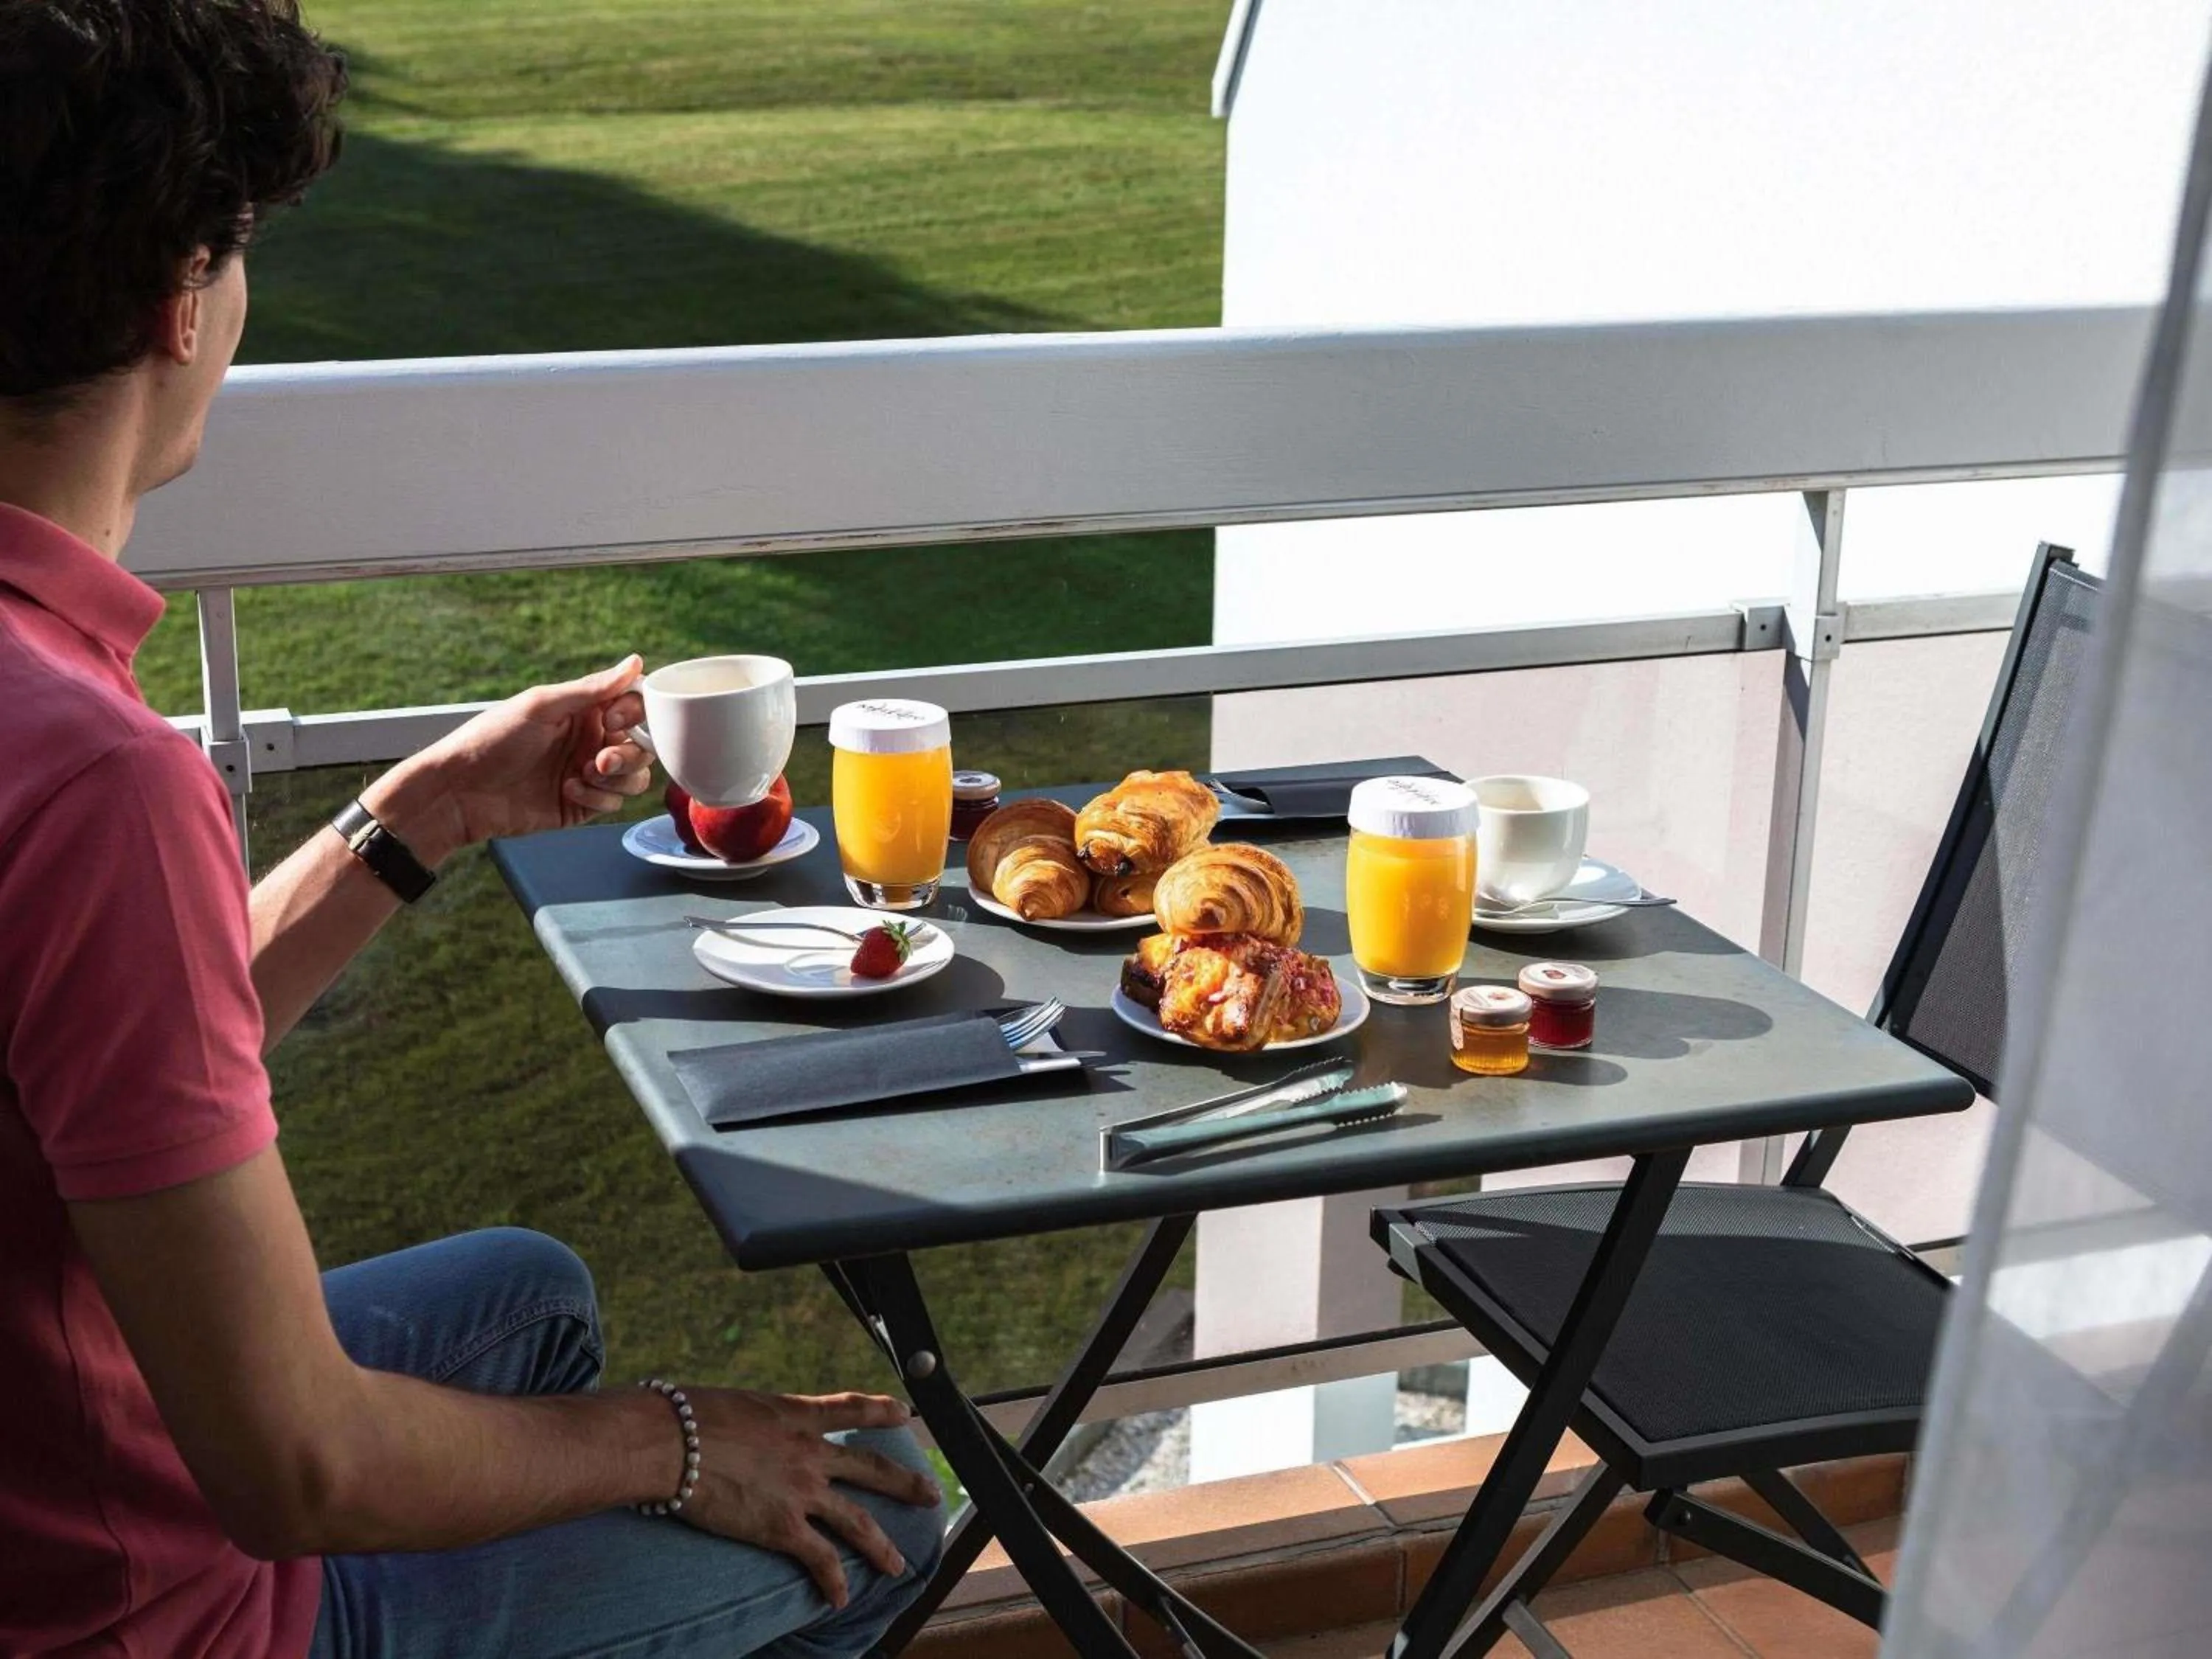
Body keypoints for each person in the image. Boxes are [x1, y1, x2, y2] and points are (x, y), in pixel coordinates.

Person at [0, 4, 943, 1655]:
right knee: (884, 1514)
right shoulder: (93, 778)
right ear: (181, 302)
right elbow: (298, 1467)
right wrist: (678, 1440)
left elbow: (105, 1044)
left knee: (526, 1292)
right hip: (137, 1605)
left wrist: (425, 810)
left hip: (53, 1444)